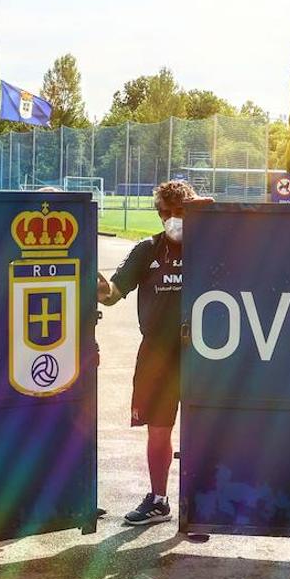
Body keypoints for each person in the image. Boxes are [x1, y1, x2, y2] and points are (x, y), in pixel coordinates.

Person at [97, 180, 213, 525]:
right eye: (166, 212)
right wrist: (97, 285)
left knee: (206, 426)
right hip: (158, 354)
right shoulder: (147, 249)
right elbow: (113, 293)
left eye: (181, 212)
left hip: (204, 354)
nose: (173, 219)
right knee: (159, 429)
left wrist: (208, 210)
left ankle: (204, 504)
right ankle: (159, 499)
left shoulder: (211, 247)